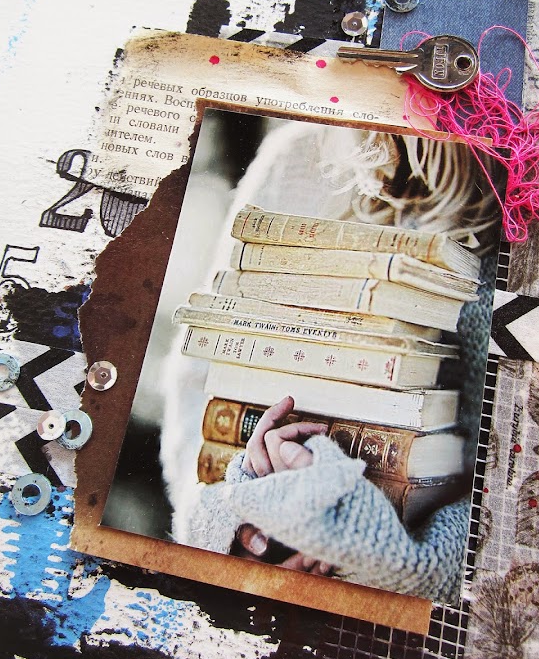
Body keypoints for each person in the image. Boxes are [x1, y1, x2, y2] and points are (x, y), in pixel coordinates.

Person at [161, 117, 498, 604]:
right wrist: (233, 532)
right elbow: (202, 382)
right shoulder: (302, 154)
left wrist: (411, 565)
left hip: (434, 613)